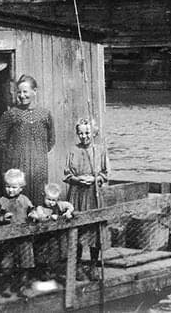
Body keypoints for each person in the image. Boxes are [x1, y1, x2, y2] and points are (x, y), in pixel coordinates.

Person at [0, 74, 55, 206]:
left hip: (39, 166)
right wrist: (13, 153)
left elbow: (51, 139)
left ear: (34, 91)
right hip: (18, 165)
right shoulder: (11, 114)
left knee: (38, 199)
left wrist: (38, 153)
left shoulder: (45, 114)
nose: (22, 95)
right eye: (19, 92)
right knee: (18, 200)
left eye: (25, 91)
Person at [63, 118, 109, 281]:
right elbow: (67, 174)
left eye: (87, 132)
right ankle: (77, 267)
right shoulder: (73, 150)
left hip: (93, 193)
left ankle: (93, 266)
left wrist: (95, 180)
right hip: (77, 193)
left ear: (93, 133)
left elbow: (105, 173)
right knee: (77, 228)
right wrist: (77, 180)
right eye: (81, 133)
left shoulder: (100, 150)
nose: (84, 136)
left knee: (94, 229)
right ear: (77, 134)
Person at [0, 169, 34, 296]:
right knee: (6, 264)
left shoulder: (25, 200)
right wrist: (2, 219)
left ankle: (22, 286)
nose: (10, 190)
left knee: (25, 262)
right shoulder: (1, 201)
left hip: (23, 238)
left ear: (21, 188)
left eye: (14, 187)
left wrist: (32, 215)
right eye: (8, 186)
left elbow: (32, 210)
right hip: (7, 239)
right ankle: (7, 285)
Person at [28, 183, 74, 280]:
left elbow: (70, 205)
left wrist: (68, 212)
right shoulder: (40, 208)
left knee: (56, 252)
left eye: (54, 200)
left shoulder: (59, 205)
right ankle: (44, 271)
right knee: (43, 252)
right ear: (43, 196)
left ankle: (54, 270)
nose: (51, 203)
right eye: (49, 199)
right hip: (44, 236)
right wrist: (49, 217)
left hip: (55, 236)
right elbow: (41, 217)